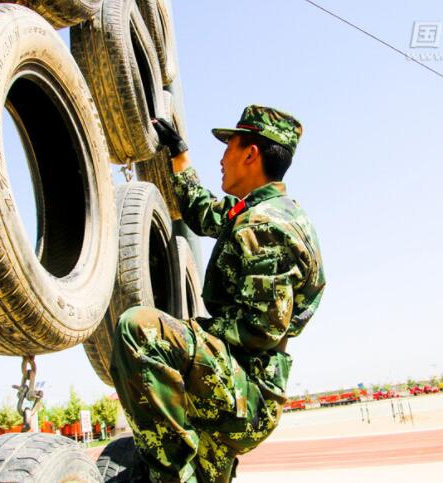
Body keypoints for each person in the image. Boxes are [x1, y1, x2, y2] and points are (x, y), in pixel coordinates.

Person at [109, 105, 325, 482]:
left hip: (247, 389)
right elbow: (203, 211)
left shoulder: (268, 225)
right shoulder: (255, 212)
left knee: (140, 330)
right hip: (235, 381)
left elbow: (261, 330)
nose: (222, 157)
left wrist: (188, 332)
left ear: (251, 154)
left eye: (228, 146)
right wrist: (179, 154)